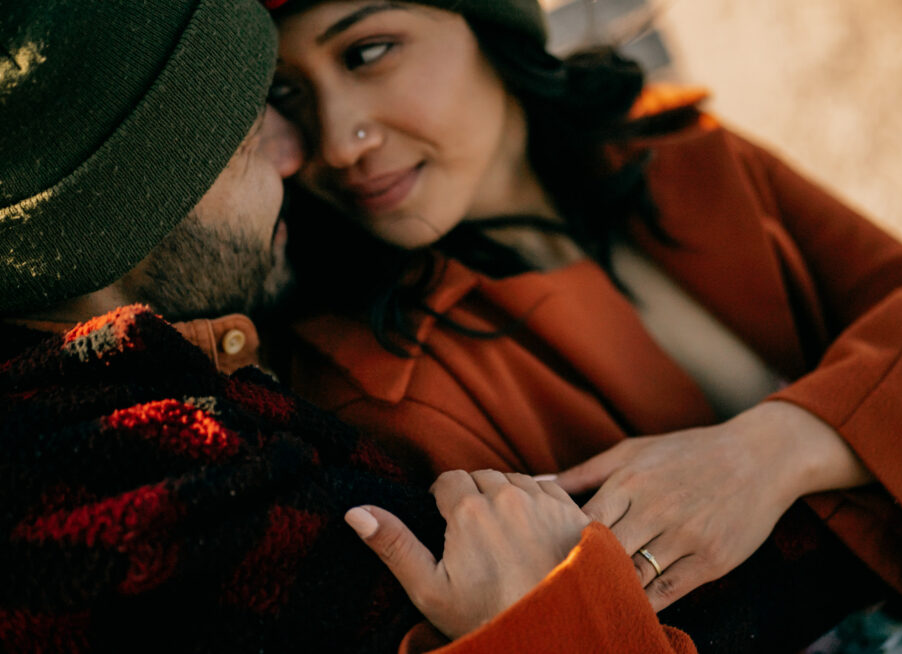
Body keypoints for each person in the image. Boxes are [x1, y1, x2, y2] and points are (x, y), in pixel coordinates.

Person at [267, 0, 902, 639]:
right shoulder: (377, 378)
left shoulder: (678, 144)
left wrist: (771, 452)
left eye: (369, 52)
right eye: (288, 96)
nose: (339, 141)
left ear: (487, 21)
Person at [0, 1, 712, 651]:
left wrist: (786, 442)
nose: (304, 151)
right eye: (251, 132)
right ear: (134, 211)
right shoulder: (223, 508)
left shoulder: (681, 153)